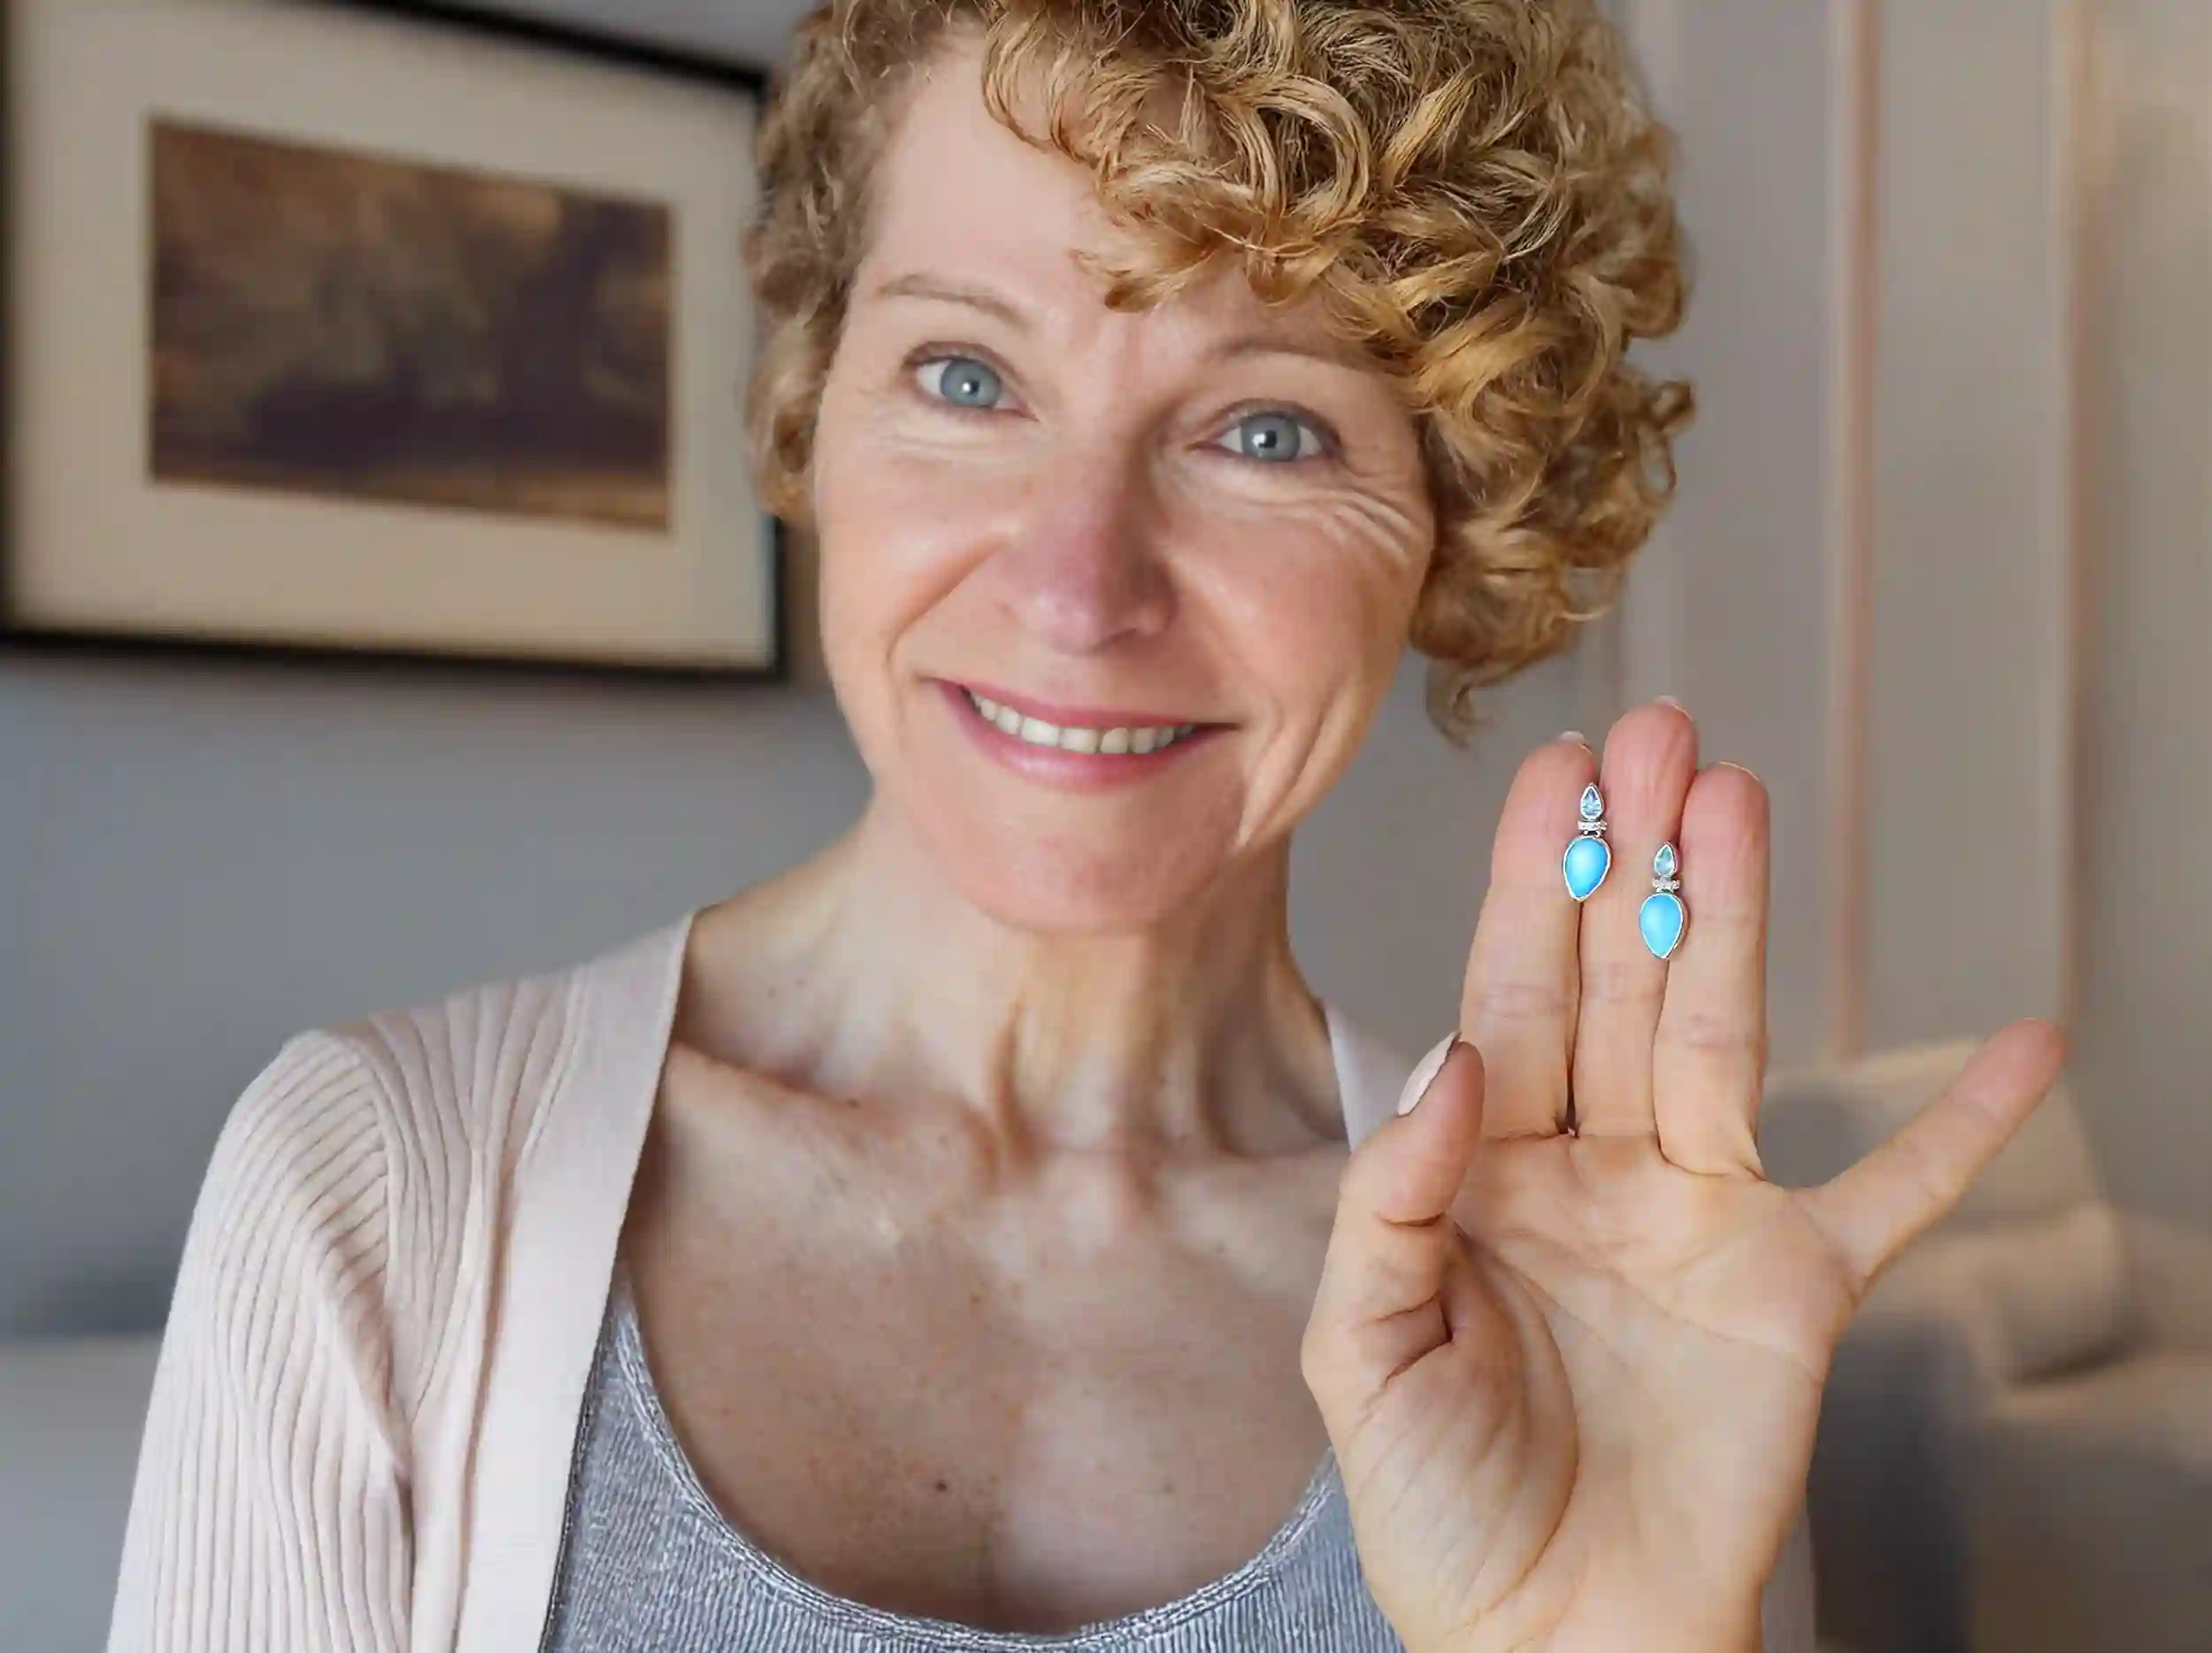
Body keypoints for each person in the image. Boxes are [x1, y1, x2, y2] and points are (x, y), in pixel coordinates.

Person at [106, 2, 2066, 1649]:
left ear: (1458, 514)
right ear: (815, 405)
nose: (1074, 580)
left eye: (1263, 428)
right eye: (965, 374)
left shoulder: (1593, 1313)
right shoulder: (377, 1189)